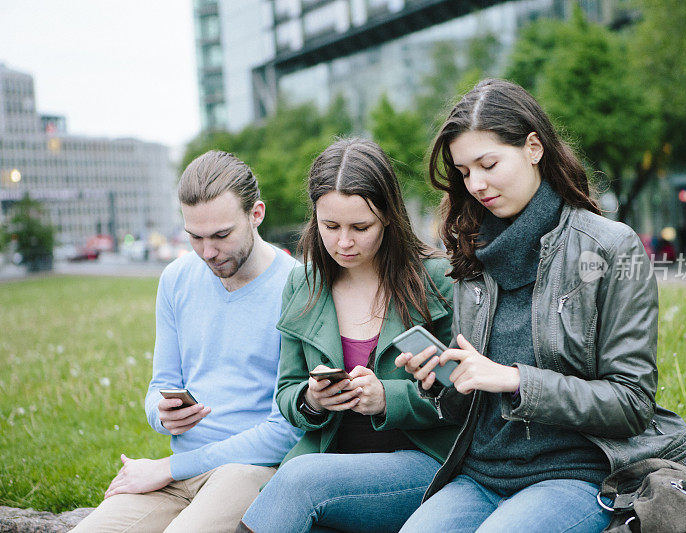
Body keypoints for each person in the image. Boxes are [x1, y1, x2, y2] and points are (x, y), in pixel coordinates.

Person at [396, 79, 686, 533]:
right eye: (464, 172)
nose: (476, 184)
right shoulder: (469, 255)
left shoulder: (608, 247)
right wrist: (442, 379)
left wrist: (517, 380)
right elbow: (475, 402)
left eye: (488, 164)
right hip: (482, 473)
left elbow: (631, 403)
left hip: (580, 471)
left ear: (534, 147)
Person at [72, 151, 304, 533]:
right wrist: (161, 416)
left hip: (249, 471)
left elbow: (287, 431)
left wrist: (166, 467)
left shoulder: (298, 286)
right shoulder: (176, 278)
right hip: (178, 476)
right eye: (195, 237)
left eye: (221, 235)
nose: (207, 252)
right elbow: (158, 387)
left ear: (256, 214)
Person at [239, 138, 458, 533]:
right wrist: (313, 399)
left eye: (361, 227)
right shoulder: (304, 283)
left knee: (298, 484)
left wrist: (386, 398)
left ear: (389, 217)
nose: (344, 242)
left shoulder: (438, 279)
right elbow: (287, 391)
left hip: (420, 461)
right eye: (330, 226)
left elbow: (463, 394)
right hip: (329, 455)